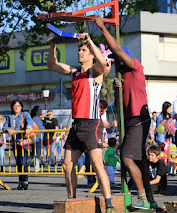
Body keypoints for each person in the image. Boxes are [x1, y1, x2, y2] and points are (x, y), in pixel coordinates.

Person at [47, 32, 115, 212]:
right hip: (76, 125)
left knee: (96, 163)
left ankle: (109, 205)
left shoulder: (95, 72)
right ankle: (72, 201)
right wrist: (53, 44)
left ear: (92, 54)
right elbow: (52, 64)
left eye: (84, 50)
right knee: (67, 165)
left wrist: (90, 41)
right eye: (80, 50)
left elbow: (103, 63)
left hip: (92, 123)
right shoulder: (75, 71)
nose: (80, 52)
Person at [96, 15, 158, 210]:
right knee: (138, 162)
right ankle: (150, 200)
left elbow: (117, 49)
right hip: (133, 121)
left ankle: (143, 200)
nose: (117, 63)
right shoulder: (123, 78)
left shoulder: (136, 67)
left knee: (127, 158)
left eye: (118, 60)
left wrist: (103, 28)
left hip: (139, 120)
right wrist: (117, 89)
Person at [2, 100, 34, 190]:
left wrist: (28, 128)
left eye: (18, 105)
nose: (16, 107)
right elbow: (4, 126)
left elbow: (30, 122)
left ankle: (25, 182)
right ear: (12, 107)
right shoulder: (10, 117)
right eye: (15, 106)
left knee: (23, 162)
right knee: (18, 162)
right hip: (14, 142)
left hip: (23, 141)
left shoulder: (25, 114)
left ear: (21, 107)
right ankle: (21, 182)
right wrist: (8, 129)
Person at [30, 106, 47, 171]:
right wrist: (45, 129)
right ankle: (36, 167)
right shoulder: (36, 119)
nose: (41, 111)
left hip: (39, 137)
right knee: (37, 153)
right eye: (40, 110)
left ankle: (35, 164)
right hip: (38, 137)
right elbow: (41, 128)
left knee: (37, 152)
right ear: (36, 111)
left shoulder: (37, 118)